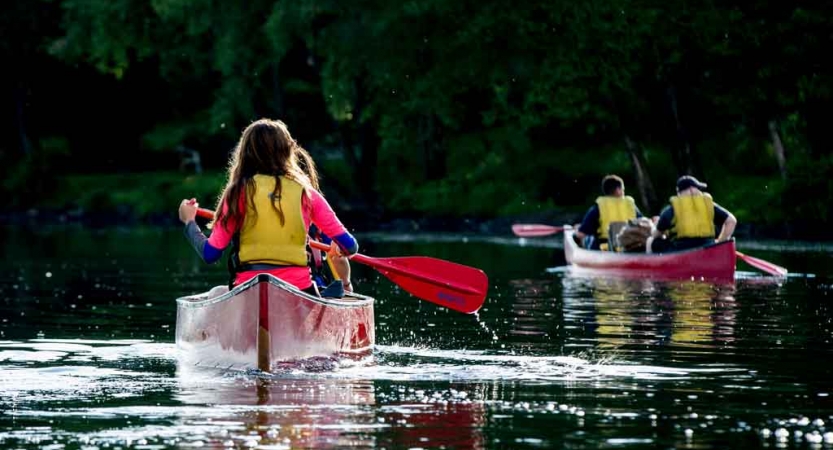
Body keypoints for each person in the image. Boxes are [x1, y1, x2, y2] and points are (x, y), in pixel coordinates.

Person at [177, 118, 357, 296]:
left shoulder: (236, 193)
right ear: (287, 152)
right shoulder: (307, 193)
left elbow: (210, 254)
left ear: (245, 154)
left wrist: (190, 222)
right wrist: (339, 247)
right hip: (299, 290)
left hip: (248, 290)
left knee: (216, 294)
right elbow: (351, 246)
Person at [648, 175, 737, 253]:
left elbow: (656, 234)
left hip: (681, 250)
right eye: (698, 188)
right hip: (708, 247)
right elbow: (731, 221)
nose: (699, 191)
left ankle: (653, 267)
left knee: (651, 241)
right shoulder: (708, 205)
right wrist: (720, 243)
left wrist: (654, 228)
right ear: (691, 189)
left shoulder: (671, 209)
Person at [574, 174, 643, 250]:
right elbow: (643, 224)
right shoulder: (630, 205)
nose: (623, 192)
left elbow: (581, 235)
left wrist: (575, 233)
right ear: (618, 190)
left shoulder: (597, 208)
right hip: (630, 248)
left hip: (605, 250)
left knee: (587, 238)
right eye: (623, 190)